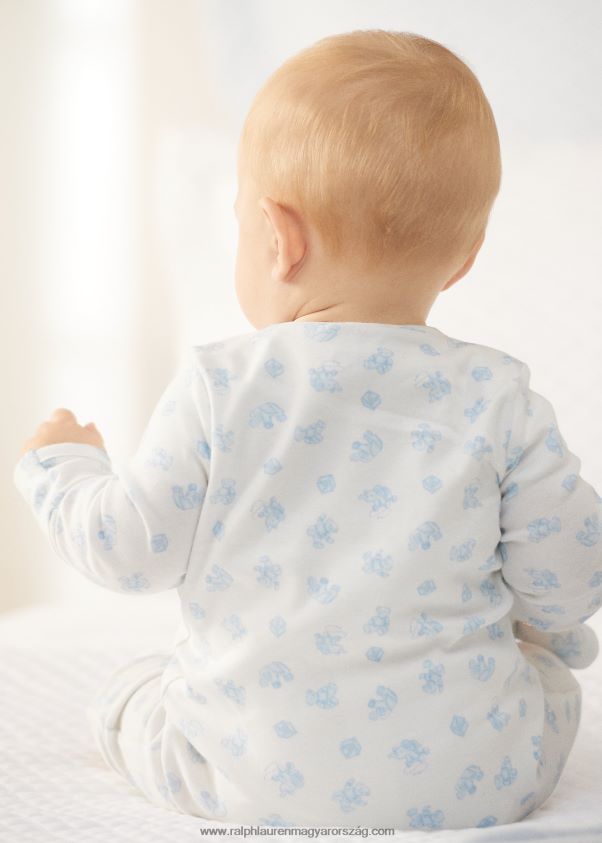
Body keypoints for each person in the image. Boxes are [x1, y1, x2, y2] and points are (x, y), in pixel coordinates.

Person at [13, 29, 601, 830]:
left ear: (276, 238)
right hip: (480, 776)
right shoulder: (501, 398)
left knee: (132, 697)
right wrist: (545, 632)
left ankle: (138, 709)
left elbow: (128, 548)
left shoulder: (220, 386)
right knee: (546, 680)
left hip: (242, 772)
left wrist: (63, 466)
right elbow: (572, 575)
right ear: (466, 258)